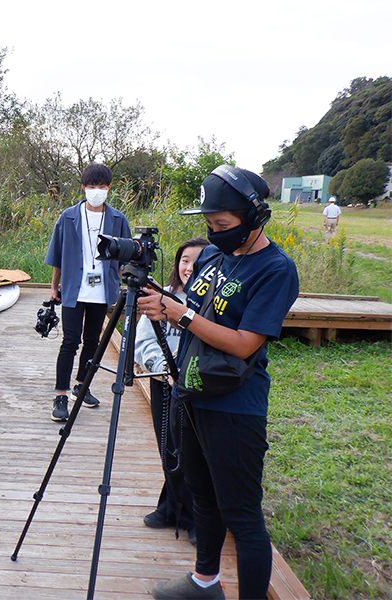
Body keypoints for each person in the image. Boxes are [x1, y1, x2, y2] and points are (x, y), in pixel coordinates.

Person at [138, 166, 298, 600]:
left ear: (255, 216)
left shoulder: (276, 270)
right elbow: (193, 306)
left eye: (223, 225)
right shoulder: (211, 255)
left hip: (234, 405)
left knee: (242, 514)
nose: (215, 232)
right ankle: (204, 582)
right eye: (209, 225)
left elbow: (246, 344)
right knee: (201, 496)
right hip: (192, 390)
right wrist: (164, 301)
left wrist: (181, 315)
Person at [134, 237, 209, 546]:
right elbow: (142, 340)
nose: (189, 267)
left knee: (193, 453)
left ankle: (197, 519)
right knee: (168, 448)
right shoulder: (163, 297)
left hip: (196, 385)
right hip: (163, 380)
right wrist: (163, 366)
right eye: (184, 260)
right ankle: (170, 508)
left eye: (197, 261)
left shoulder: (210, 304)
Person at [44, 163, 131, 421]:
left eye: (101, 187)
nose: (96, 191)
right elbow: (57, 254)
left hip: (102, 290)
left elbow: (126, 254)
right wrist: (53, 286)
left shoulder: (118, 219)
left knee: (93, 341)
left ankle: (82, 386)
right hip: (74, 289)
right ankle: (61, 395)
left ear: (109, 188)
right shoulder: (68, 216)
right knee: (70, 342)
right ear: (83, 187)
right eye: (92, 187)